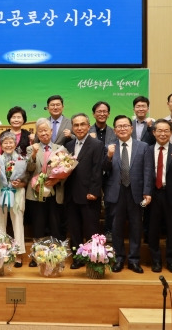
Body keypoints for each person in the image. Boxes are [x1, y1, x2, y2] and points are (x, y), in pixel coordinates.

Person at [104, 115, 153, 274]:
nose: (123, 129)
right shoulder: (109, 147)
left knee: (136, 227)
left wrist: (147, 191)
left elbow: (147, 170)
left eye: (126, 126)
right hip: (116, 192)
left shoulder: (143, 146)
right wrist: (109, 158)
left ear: (131, 128)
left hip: (136, 193)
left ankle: (134, 260)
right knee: (116, 228)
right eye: (119, 126)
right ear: (115, 130)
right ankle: (118, 259)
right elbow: (104, 172)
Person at [65, 113, 105, 269]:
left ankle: (92, 259)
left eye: (82, 124)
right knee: (74, 230)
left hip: (89, 195)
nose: (79, 128)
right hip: (71, 195)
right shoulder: (68, 146)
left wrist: (94, 191)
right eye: (76, 125)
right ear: (72, 128)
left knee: (91, 230)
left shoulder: (96, 144)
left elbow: (97, 170)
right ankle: (77, 258)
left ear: (88, 126)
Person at [148, 119, 172, 273]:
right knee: (152, 230)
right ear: (154, 132)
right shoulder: (147, 149)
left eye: (166, 131)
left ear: (171, 133)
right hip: (153, 194)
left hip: (171, 195)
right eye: (159, 130)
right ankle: (156, 261)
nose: (163, 134)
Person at [25, 118, 64, 265]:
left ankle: (57, 257)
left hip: (54, 193)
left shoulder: (60, 149)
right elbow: (28, 169)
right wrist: (34, 155)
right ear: (37, 133)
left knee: (55, 225)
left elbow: (66, 170)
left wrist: (56, 180)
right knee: (38, 225)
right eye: (40, 131)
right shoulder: (31, 148)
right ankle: (36, 256)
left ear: (51, 131)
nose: (43, 133)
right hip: (36, 192)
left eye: (45, 130)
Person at [0, 131, 28, 267]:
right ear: (1, 145)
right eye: (5, 142)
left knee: (18, 223)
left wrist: (20, 183)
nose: (8, 145)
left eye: (10, 142)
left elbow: (25, 179)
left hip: (17, 194)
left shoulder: (21, 160)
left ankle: (19, 254)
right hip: (1, 194)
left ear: (15, 143)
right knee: (0, 224)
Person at [89, 101, 117, 243]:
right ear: (93, 114)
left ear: (108, 114)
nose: (102, 114)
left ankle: (108, 230)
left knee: (110, 203)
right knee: (92, 205)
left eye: (104, 111)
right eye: (99, 111)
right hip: (91, 175)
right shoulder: (87, 131)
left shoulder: (114, 132)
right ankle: (92, 233)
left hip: (109, 173)